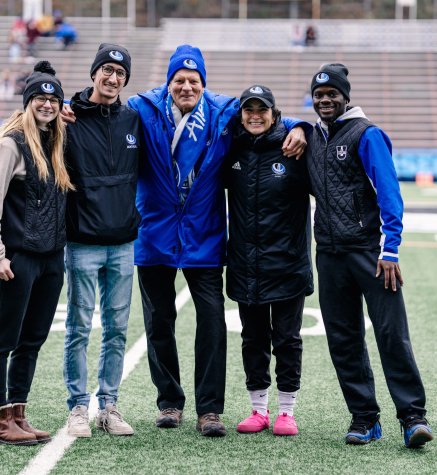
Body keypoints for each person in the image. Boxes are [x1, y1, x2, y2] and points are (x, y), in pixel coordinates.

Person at [126, 46, 308, 437]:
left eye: (194, 81)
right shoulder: (142, 107)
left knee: (211, 323)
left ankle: (210, 410)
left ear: (203, 83)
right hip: (155, 234)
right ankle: (170, 402)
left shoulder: (224, 110)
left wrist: (300, 126)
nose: (187, 86)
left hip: (204, 238)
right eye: (179, 80)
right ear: (169, 83)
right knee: (159, 323)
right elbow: (107, 118)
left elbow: (268, 117)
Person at [306, 63, 434, 448]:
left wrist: (390, 248)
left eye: (332, 94)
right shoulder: (312, 136)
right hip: (328, 254)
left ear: (346, 96)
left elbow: (390, 193)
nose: (325, 100)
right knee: (343, 339)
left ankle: (413, 417)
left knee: (391, 334)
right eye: (319, 95)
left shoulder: (367, 133)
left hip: (370, 253)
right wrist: (297, 127)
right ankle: (364, 418)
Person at [0, 61, 72, 445]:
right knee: (3, 340)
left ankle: (18, 413)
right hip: (17, 259)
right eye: (40, 98)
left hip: (51, 259)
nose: (47, 104)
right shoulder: (10, 142)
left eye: (53, 98)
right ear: (28, 101)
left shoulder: (55, 141)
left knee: (31, 340)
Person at [62, 44, 141, 438]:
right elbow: (31, 119)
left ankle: (108, 406)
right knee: (78, 327)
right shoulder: (68, 117)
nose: (113, 79)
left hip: (124, 243)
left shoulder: (133, 119)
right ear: (94, 73)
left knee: (117, 329)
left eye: (120, 73)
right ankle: (78, 407)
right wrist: (56, 105)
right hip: (82, 243)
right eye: (106, 70)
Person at [224, 85, 312, 436]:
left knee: (288, 338)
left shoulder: (294, 148)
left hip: (288, 263)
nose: (255, 115)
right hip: (246, 264)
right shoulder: (232, 146)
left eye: (263, 109)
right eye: (249, 110)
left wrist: (301, 125)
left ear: (275, 114)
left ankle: (286, 412)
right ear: (241, 114)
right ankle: (258, 409)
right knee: (253, 338)